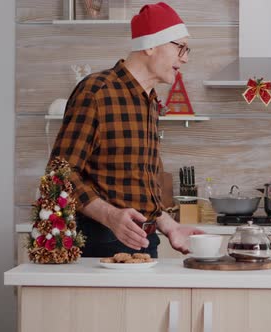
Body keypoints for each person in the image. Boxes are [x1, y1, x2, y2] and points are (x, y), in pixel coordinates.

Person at [49, 2, 203, 258]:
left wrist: (169, 226)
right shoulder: (97, 91)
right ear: (151, 45)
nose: (185, 58)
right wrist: (110, 216)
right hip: (100, 243)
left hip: (145, 242)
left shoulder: (149, 100)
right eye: (180, 47)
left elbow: (134, 187)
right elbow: (59, 172)